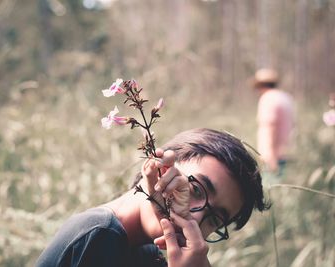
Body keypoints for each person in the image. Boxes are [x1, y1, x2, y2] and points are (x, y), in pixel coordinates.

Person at [36, 128, 270, 267]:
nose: (196, 220)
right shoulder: (99, 235)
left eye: (214, 219)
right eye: (196, 189)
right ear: (161, 166)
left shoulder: (147, 253)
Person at [253, 68, 294, 179]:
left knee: (270, 191)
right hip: (285, 152)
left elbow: (271, 127)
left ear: (260, 85)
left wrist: (271, 158)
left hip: (272, 157)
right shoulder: (286, 98)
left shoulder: (267, 99)